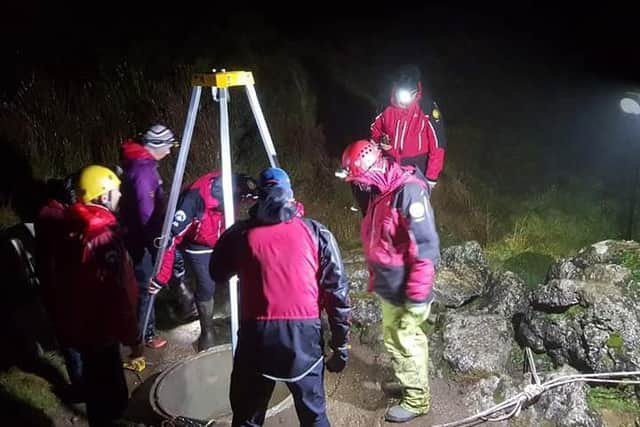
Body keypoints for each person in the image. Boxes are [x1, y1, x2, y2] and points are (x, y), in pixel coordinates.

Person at [209, 167, 351, 427]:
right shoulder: (316, 232)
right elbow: (337, 293)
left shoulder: (241, 234)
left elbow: (216, 272)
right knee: (314, 416)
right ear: (290, 196)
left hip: (257, 335)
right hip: (303, 337)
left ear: (259, 197)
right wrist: (340, 346)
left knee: (247, 418)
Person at [339, 140, 440, 423]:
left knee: (406, 341)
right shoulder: (381, 190)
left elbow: (426, 247)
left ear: (371, 169)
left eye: (358, 179)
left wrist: (418, 297)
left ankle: (417, 400)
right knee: (395, 339)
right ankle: (410, 383)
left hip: (406, 288)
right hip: (390, 283)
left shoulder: (408, 193)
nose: (357, 185)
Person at [38, 165, 142, 427]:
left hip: (84, 329)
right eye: (116, 191)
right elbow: (115, 295)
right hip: (100, 332)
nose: (120, 196)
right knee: (114, 403)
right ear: (103, 195)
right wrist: (133, 339)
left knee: (98, 398)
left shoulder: (75, 226)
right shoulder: (100, 236)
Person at [148, 171, 258, 352]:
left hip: (224, 234)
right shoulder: (193, 201)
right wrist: (162, 275)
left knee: (244, 273)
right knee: (207, 285)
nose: (242, 204)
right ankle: (207, 331)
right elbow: (170, 239)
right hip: (198, 243)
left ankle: (245, 321)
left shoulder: (235, 185)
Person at [351, 65, 446, 216]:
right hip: (390, 161)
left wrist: (431, 178)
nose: (404, 101)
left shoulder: (427, 107)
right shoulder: (385, 103)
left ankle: (411, 234)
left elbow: (438, 145)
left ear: (417, 91)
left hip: (417, 166)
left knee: (412, 208)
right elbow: (375, 131)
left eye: (410, 95)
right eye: (401, 95)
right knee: (383, 203)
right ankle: (377, 225)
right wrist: (380, 143)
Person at [119, 123, 180, 349]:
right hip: (140, 237)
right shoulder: (143, 171)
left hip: (137, 233)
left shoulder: (142, 163)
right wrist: (158, 245)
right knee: (147, 284)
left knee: (144, 282)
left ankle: (142, 329)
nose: (170, 150)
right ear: (156, 146)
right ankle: (144, 335)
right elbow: (146, 213)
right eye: (168, 146)